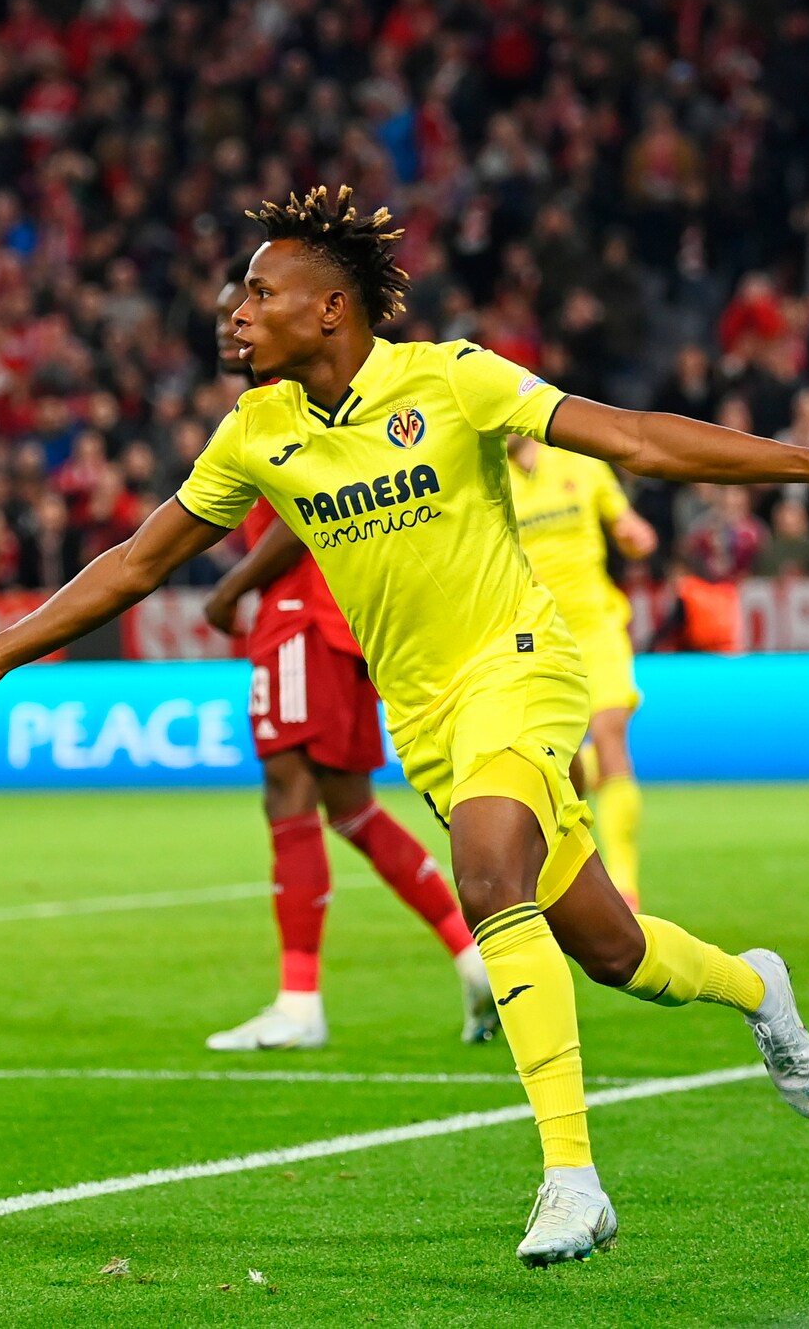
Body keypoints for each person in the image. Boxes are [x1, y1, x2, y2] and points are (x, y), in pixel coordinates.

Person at [0, 187, 809, 1266]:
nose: (238, 313)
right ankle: (756, 985)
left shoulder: (450, 378)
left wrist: (804, 464)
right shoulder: (256, 432)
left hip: (520, 665)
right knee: (612, 949)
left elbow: (632, 438)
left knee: (486, 875)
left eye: (260, 293)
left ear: (331, 309)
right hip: (426, 715)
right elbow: (136, 563)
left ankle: (572, 1179)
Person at [198, 265, 497, 1051]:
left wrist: (231, 588)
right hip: (350, 619)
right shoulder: (285, 401)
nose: (234, 324)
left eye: (249, 306)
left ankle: (298, 1002)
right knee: (352, 806)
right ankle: (472, 957)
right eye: (227, 314)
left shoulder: (294, 401)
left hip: (303, 612)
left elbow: (304, 514)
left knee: (287, 791)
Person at [505, 430, 659, 910]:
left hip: (596, 626)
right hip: (534, 635)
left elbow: (628, 526)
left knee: (611, 732)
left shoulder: (581, 464)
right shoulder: (485, 478)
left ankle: (626, 885)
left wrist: (636, 538)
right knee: (558, 762)